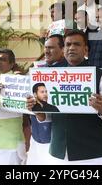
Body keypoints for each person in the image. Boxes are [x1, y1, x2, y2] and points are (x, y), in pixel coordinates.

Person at [28, 30, 102, 165]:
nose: (71, 48)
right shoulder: (50, 75)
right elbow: (47, 116)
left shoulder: (99, 75)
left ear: (86, 49)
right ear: (63, 49)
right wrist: (37, 110)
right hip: (57, 154)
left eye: (76, 44)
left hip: (92, 155)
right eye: (68, 44)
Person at [27, 35, 65, 165]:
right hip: (37, 136)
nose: (46, 51)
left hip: (55, 141)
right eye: (45, 48)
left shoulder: (68, 73)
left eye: (51, 48)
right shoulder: (39, 70)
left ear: (63, 49)